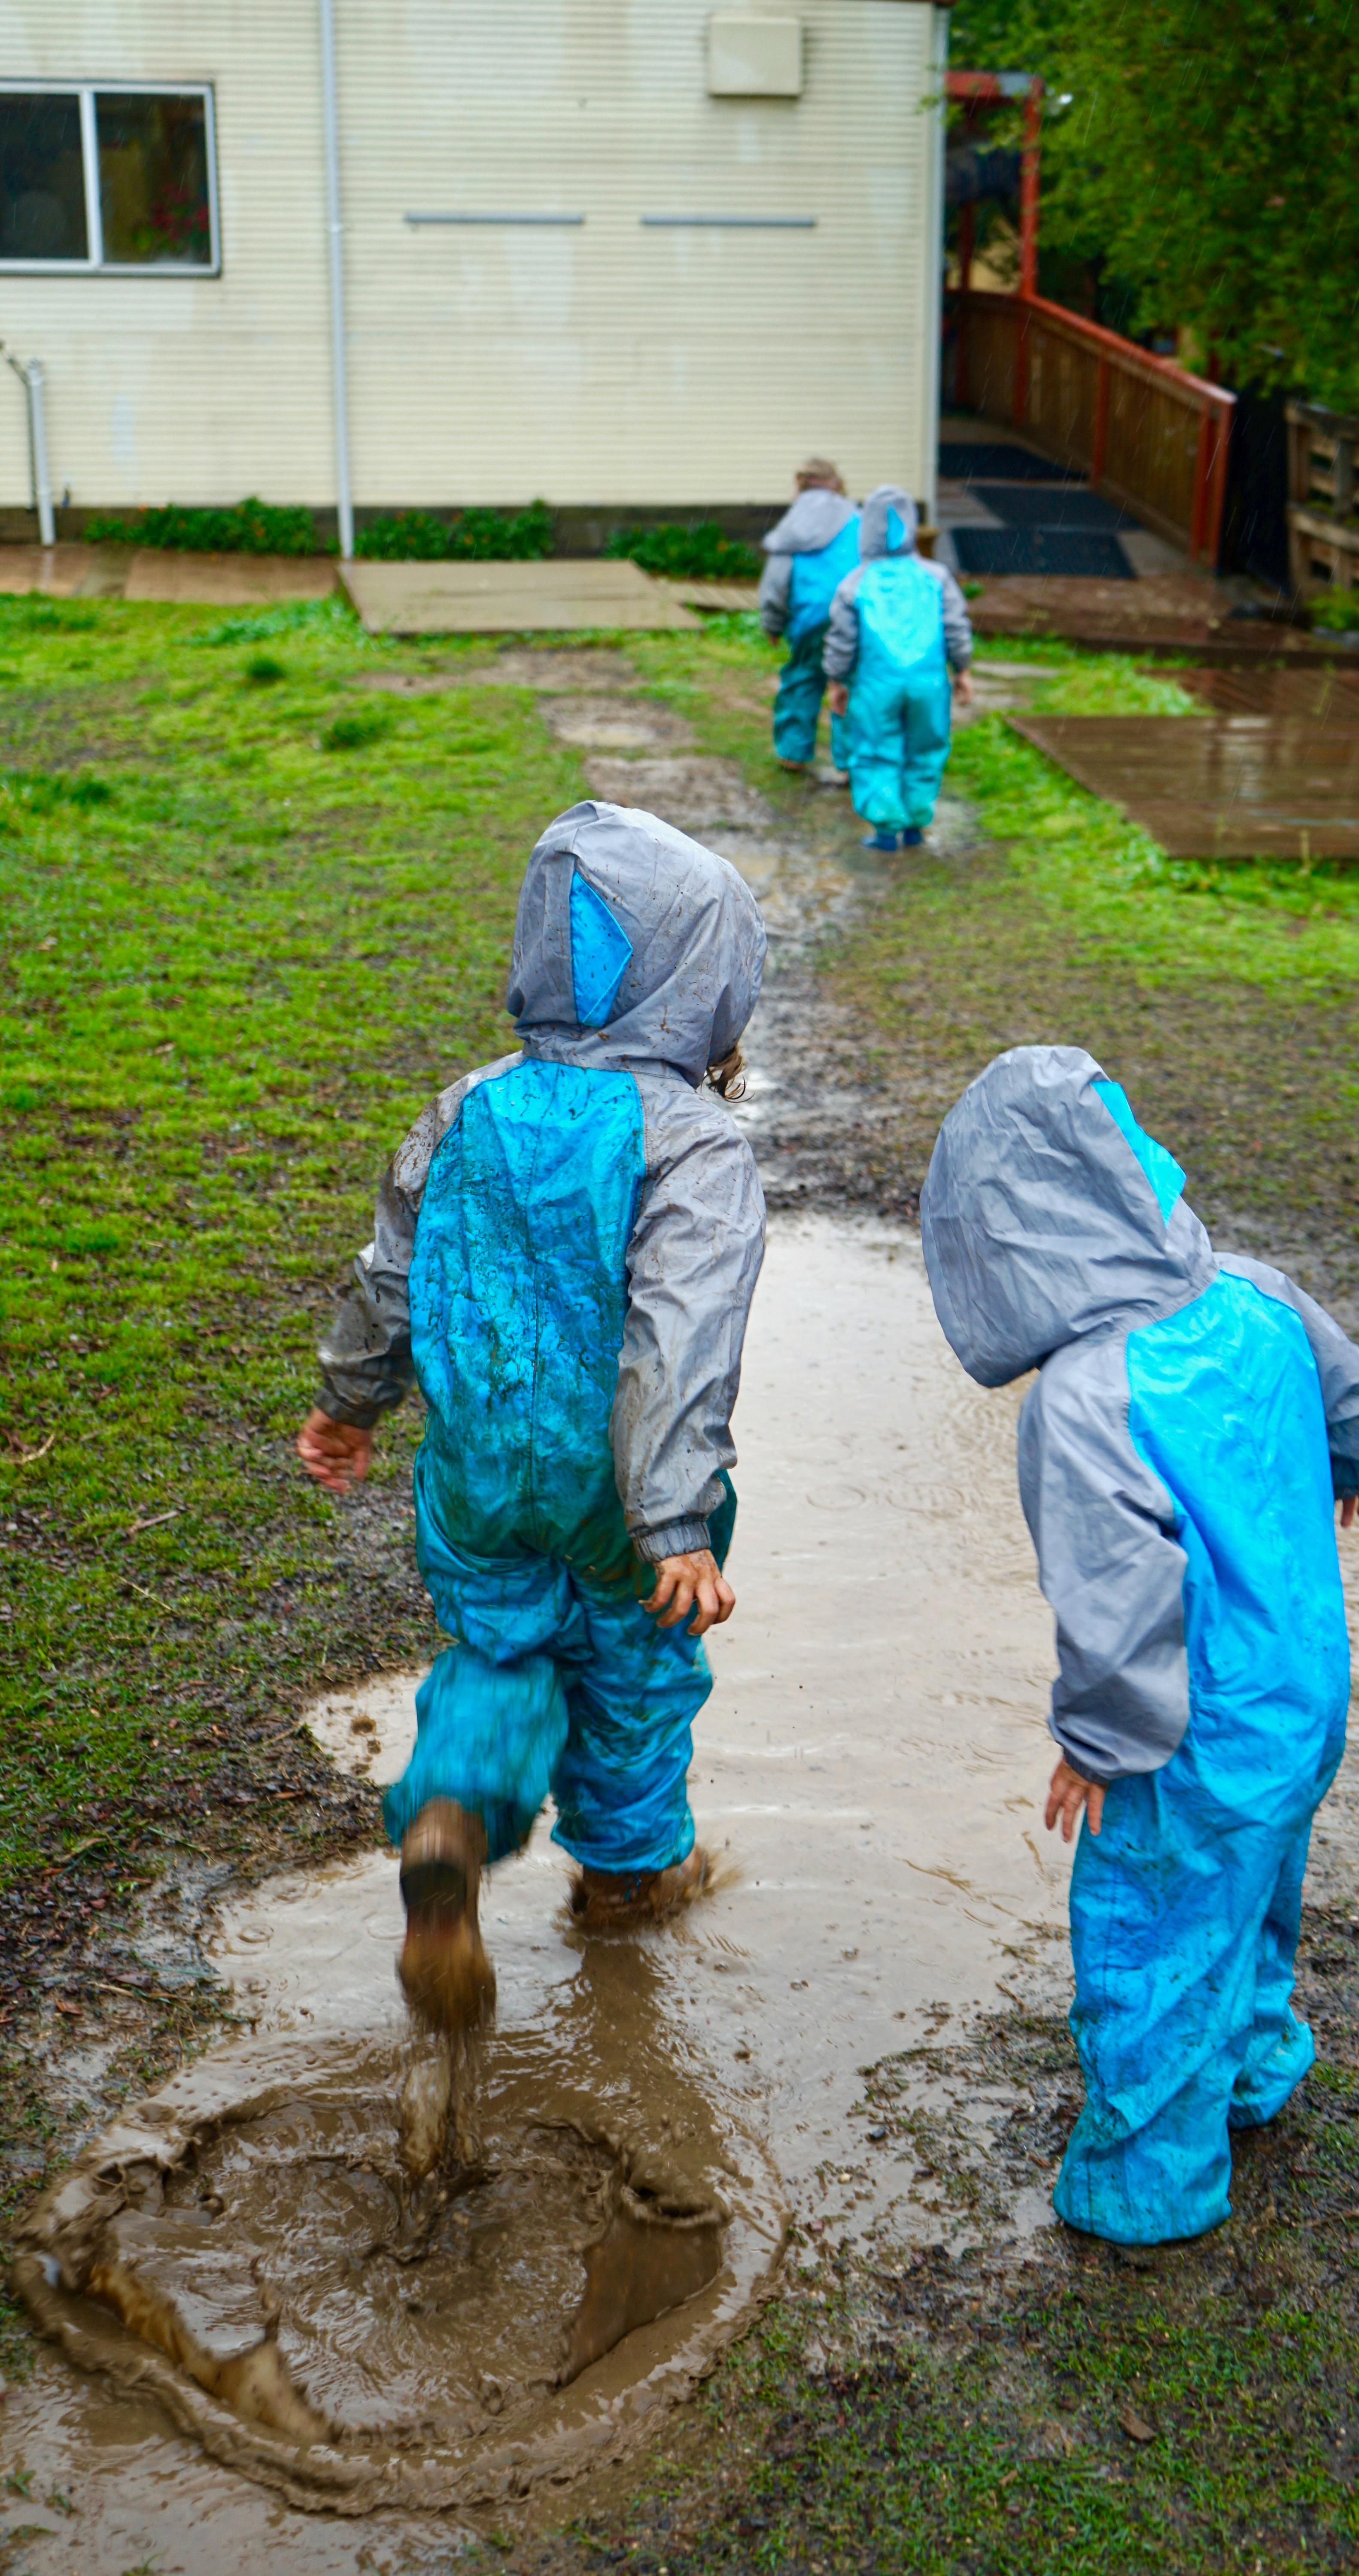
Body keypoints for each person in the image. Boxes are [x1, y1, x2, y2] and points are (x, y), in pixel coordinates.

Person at [920, 1045, 1359, 2247]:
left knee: (1155, 1934)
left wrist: (1100, 1743)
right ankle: (1258, 2069)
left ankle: (1148, 2185)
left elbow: (1120, 1596)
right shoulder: (1254, 1290)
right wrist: (1345, 1469)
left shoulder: (1088, 1394)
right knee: (1259, 1893)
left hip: (1192, 1736)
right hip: (1304, 1695)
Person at [295, 801, 767, 2031]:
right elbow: (678, 1345)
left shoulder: (465, 1106)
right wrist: (672, 1519)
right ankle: (625, 1888)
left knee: (500, 1655)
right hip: (617, 1505)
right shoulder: (694, 1146)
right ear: (699, 983)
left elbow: (389, 1272)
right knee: (635, 1684)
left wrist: (351, 1401)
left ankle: (452, 1809)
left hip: (479, 1481)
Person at [824, 484, 975, 852]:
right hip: (930, 683)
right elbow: (956, 625)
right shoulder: (936, 576)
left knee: (875, 749)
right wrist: (963, 670)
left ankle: (886, 829)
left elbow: (843, 639)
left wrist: (837, 680)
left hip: (877, 685)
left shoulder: (855, 582)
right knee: (926, 747)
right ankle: (916, 823)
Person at [757, 457, 860, 782]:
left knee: (803, 676)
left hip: (810, 614)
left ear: (800, 484)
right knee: (849, 682)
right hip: (855, 610)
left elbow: (777, 579)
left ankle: (794, 753)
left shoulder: (796, 522)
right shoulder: (857, 518)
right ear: (836, 482)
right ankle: (850, 762)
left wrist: (773, 622)